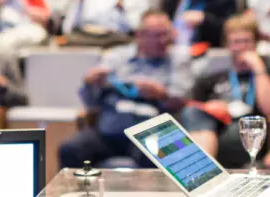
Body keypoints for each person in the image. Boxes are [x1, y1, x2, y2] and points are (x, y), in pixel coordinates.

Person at [59, 9, 192, 168]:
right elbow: (90, 102)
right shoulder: (116, 57)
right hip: (110, 130)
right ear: (139, 35)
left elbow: (183, 101)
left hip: (151, 132)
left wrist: (161, 95)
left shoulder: (178, 60)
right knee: (70, 149)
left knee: (160, 152)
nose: (162, 40)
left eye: (166, 34)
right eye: (156, 35)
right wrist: (90, 83)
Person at [180, 14, 270, 168]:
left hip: (249, 136)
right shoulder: (212, 78)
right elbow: (193, 109)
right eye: (236, 42)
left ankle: (202, 170)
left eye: (247, 41)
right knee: (192, 113)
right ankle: (203, 170)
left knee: (237, 132)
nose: (242, 47)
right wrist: (212, 108)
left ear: (256, 43)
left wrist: (258, 68)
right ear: (227, 45)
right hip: (214, 130)